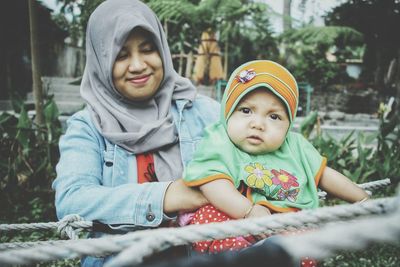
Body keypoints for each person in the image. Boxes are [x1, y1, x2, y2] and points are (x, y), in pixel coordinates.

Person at [52, 0, 219, 265]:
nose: (138, 65)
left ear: (162, 50)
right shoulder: (87, 126)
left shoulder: (204, 112)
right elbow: (73, 200)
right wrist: (166, 196)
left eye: (148, 49)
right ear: (101, 61)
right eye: (121, 55)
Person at [182, 60, 370, 254]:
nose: (258, 124)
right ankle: (240, 257)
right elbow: (214, 185)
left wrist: (362, 200)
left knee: (306, 240)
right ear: (228, 112)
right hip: (233, 217)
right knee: (208, 218)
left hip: (282, 224)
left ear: (288, 125)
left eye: (274, 117)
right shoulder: (219, 141)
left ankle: (277, 256)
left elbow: (324, 175)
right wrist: (249, 211)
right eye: (246, 111)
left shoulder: (294, 146)